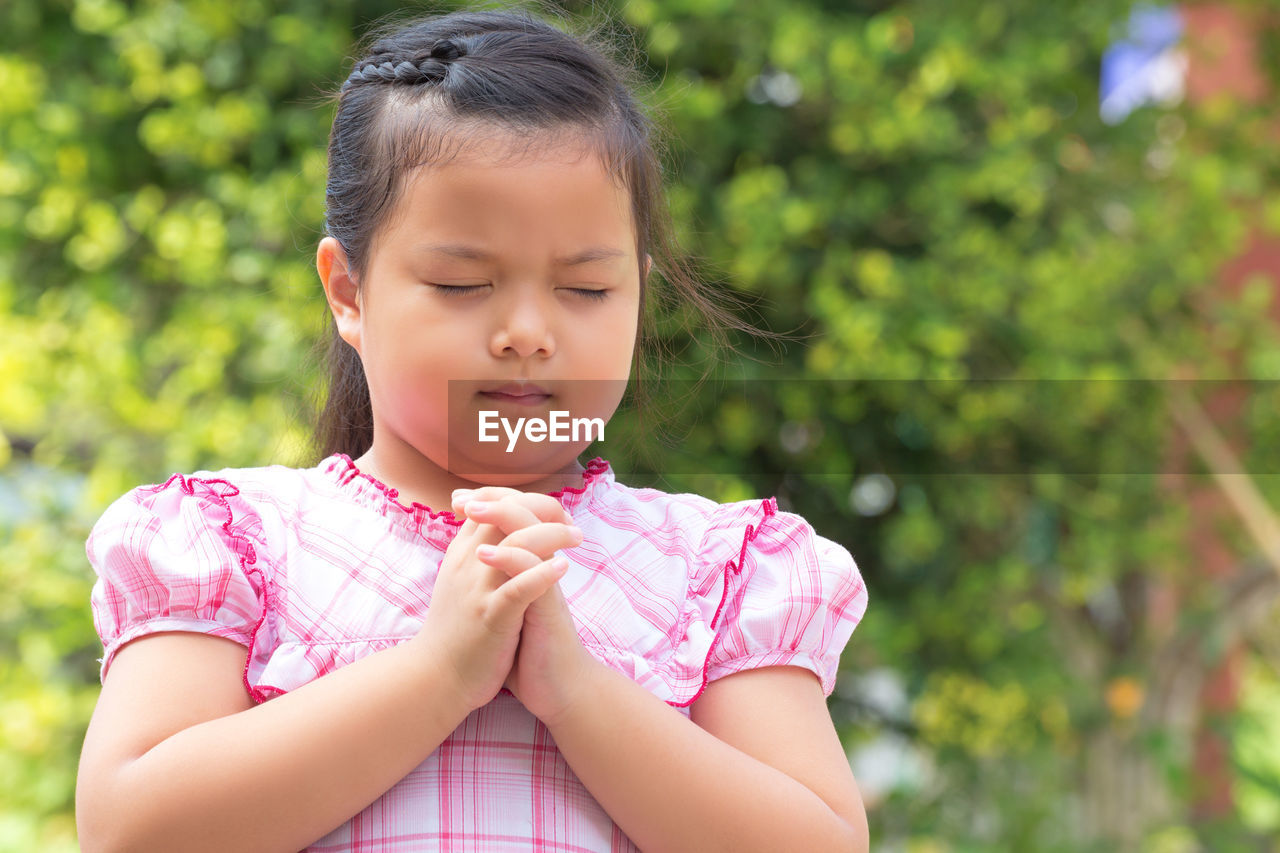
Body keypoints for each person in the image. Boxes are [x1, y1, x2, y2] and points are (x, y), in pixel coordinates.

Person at [75, 8, 871, 852]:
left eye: (586, 290)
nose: (528, 331)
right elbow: (132, 829)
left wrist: (577, 691)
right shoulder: (236, 543)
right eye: (462, 284)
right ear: (349, 291)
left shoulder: (716, 571)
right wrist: (440, 673)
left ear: (638, 292)